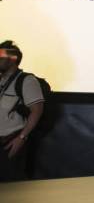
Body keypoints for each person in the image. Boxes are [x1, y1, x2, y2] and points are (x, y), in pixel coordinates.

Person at [0, 40, 45, 182]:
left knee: (11, 189)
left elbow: (37, 110)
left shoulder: (27, 81)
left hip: (9, 143)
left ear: (12, 59)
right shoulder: (1, 80)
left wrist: (21, 138)